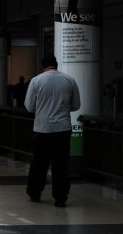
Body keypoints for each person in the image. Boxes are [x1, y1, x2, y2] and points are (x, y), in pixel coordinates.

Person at [24, 53, 81, 207]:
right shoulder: (69, 80)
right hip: (63, 129)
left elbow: (29, 107)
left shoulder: (36, 81)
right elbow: (76, 105)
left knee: (39, 163)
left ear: (42, 66)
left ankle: (35, 192)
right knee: (61, 164)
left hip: (42, 129)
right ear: (56, 64)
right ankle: (60, 197)